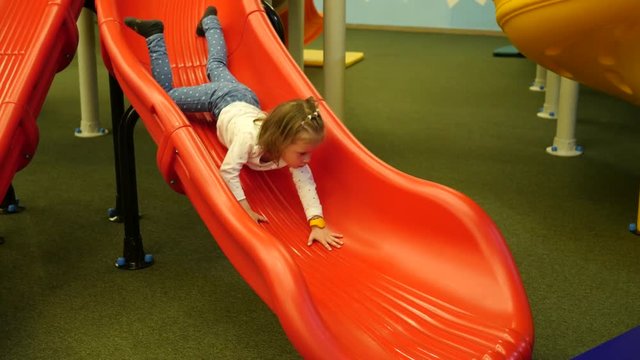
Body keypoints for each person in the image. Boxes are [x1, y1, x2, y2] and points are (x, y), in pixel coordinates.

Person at [124, 6, 344, 250]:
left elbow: (306, 184)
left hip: (247, 99)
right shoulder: (248, 139)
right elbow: (228, 170)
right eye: (303, 153)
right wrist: (244, 207)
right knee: (166, 96)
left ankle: (210, 22)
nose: (307, 159)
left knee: (217, 66)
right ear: (281, 139)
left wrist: (317, 223)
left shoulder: (289, 149)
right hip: (222, 99)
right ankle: (155, 35)